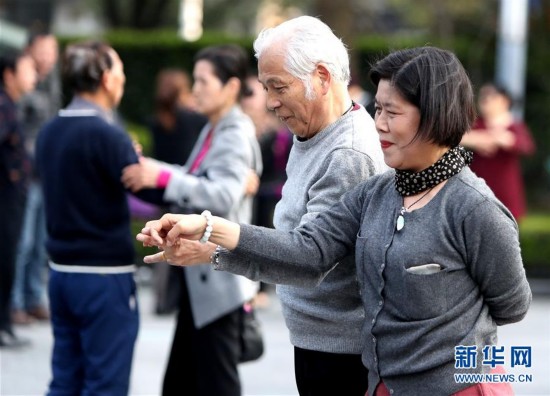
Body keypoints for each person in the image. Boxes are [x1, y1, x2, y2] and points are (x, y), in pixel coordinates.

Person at [138, 46, 532, 396]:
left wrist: (449, 359)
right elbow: (310, 250)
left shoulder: (474, 208)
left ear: (434, 115)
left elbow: (512, 305)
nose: (378, 124)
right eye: (377, 108)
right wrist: (211, 239)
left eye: (392, 112)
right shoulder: (377, 193)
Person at [141, 15, 387, 396]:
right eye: (266, 87)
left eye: (278, 87)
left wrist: (212, 230)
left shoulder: (346, 153)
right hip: (320, 342)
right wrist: (212, 252)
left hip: (341, 352)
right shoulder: (313, 132)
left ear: (322, 77)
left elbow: (309, 256)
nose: (270, 103)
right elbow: (292, 246)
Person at [122, 44, 262, 396]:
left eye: (203, 81)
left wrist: (163, 177)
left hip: (219, 282)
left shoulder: (233, 130)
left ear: (231, 87)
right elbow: (193, 175)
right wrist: (155, 172)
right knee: (183, 383)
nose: (195, 89)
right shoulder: (215, 127)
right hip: (204, 281)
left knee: (215, 384)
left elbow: (222, 194)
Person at [35, 41, 161, 395]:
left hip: (61, 273)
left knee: (65, 380)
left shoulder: (48, 132)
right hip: (105, 277)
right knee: (106, 384)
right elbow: (150, 192)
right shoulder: (109, 135)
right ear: (107, 79)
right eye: (120, 70)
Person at [11, 32, 61, 325]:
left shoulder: (52, 82)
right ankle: (14, 302)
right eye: (42, 50)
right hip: (26, 174)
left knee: (42, 240)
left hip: (48, 174)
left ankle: (32, 297)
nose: (46, 57)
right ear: (29, 50)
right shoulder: (21, 82)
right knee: (23, 240)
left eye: (51, 51)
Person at [0, 50, 37, 348]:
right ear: (8, 74)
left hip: (13, 197)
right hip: (5, 198)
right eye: (27, 68)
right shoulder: (2, 104)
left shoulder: (11, 105)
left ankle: (5, 324)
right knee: (5, 260)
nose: (33, 74)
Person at [461, 82, 535, 220]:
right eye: (482, 96)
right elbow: (455, 138)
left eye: (489, 96)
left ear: (504, 100)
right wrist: (483, 139)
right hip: (475, 195)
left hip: (506, 197)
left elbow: (526, 147)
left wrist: (506, 139)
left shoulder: (514, 126)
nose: (484, 100)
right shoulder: (476, 124)